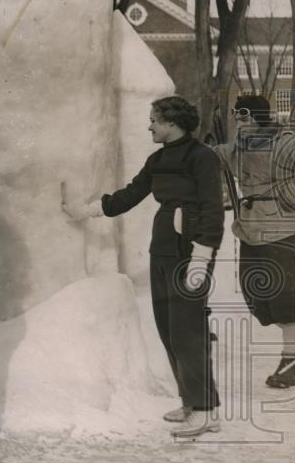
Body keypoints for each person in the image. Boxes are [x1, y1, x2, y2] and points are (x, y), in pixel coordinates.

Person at [64, 96, 225, 439]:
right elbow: (130, 194)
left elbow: (213, 209)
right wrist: (88, 210)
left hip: (190, 252)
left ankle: (206, 411)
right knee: (168, 328)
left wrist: (202, 256)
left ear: (172, 122)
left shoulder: (202, 157)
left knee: (188, 331)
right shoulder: (158, 159)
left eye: (154, 119)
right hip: (163, 249)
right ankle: (192, 401)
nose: (149, 125)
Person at [213, 95, 295, 388]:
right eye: (237, 117)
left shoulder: (287, 143)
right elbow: (211, 156)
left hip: (282, 229)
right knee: (257, 296)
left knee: (285, 301)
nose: (239, 122)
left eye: (245, 117)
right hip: (250, 230)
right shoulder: (239, 147)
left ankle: (291, 362)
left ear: (261, 118)